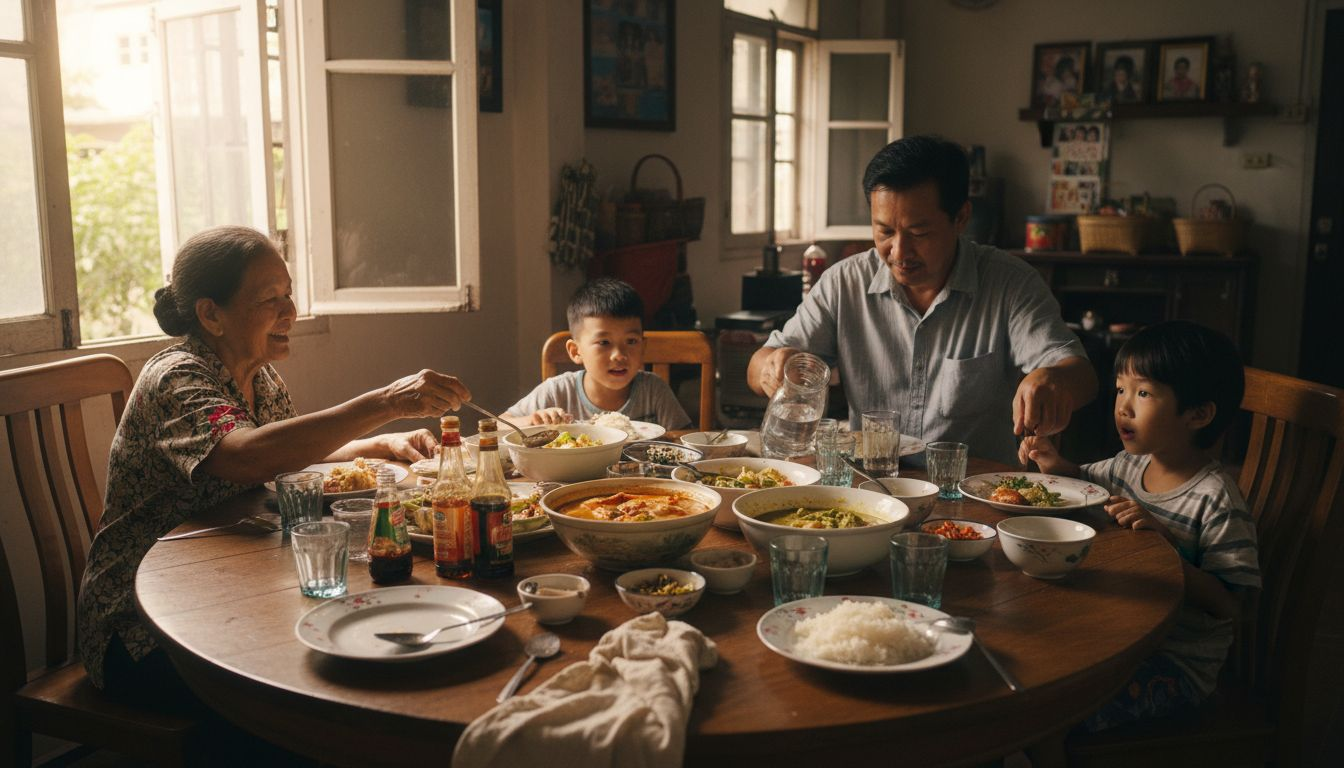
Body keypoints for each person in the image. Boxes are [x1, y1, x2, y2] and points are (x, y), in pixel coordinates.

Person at [77, 226, 473, 697]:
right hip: (143, 623)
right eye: (271, 299)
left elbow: (287, 454)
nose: (291, 311)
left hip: (224, 588)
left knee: (342, 647)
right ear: (211, 314)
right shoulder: (175, 376)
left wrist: (377, 444)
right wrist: (386, 402)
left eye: (289, 293)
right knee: (307, 679)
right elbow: (247, 455)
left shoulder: (259, 376)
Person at [748, 136, 1097, 466]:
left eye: (919, 233)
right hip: (872, 490)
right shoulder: (844, 283)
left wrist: (1054, 380)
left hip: (974, 495)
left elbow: (1081, 375)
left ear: (961, 218)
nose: (899, 252)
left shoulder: (1009, 284)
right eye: (884, 231)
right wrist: (773, 366)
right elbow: (758, 364)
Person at [1020, 321, 1259, 729]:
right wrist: (1053, 465)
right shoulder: (1127, 465)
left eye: (1143, 393)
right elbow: (1082, 481)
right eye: (1120, 389)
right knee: (1031, 668)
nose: (1123, 407)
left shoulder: (1215, 500)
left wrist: (1166, 549)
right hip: (1119, 634)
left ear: (1198, 414)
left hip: (1175, 663)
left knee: (1057, 709)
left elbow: (1233, 607)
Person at [505, 277, 691, 429]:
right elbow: (496, 426)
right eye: (604, 342)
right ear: (576, 351)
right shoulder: (558, 391)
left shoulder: (653, 390)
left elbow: (682, 441)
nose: (619, 355)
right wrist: (530, 420)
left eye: (631, 341)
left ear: (643, 347)